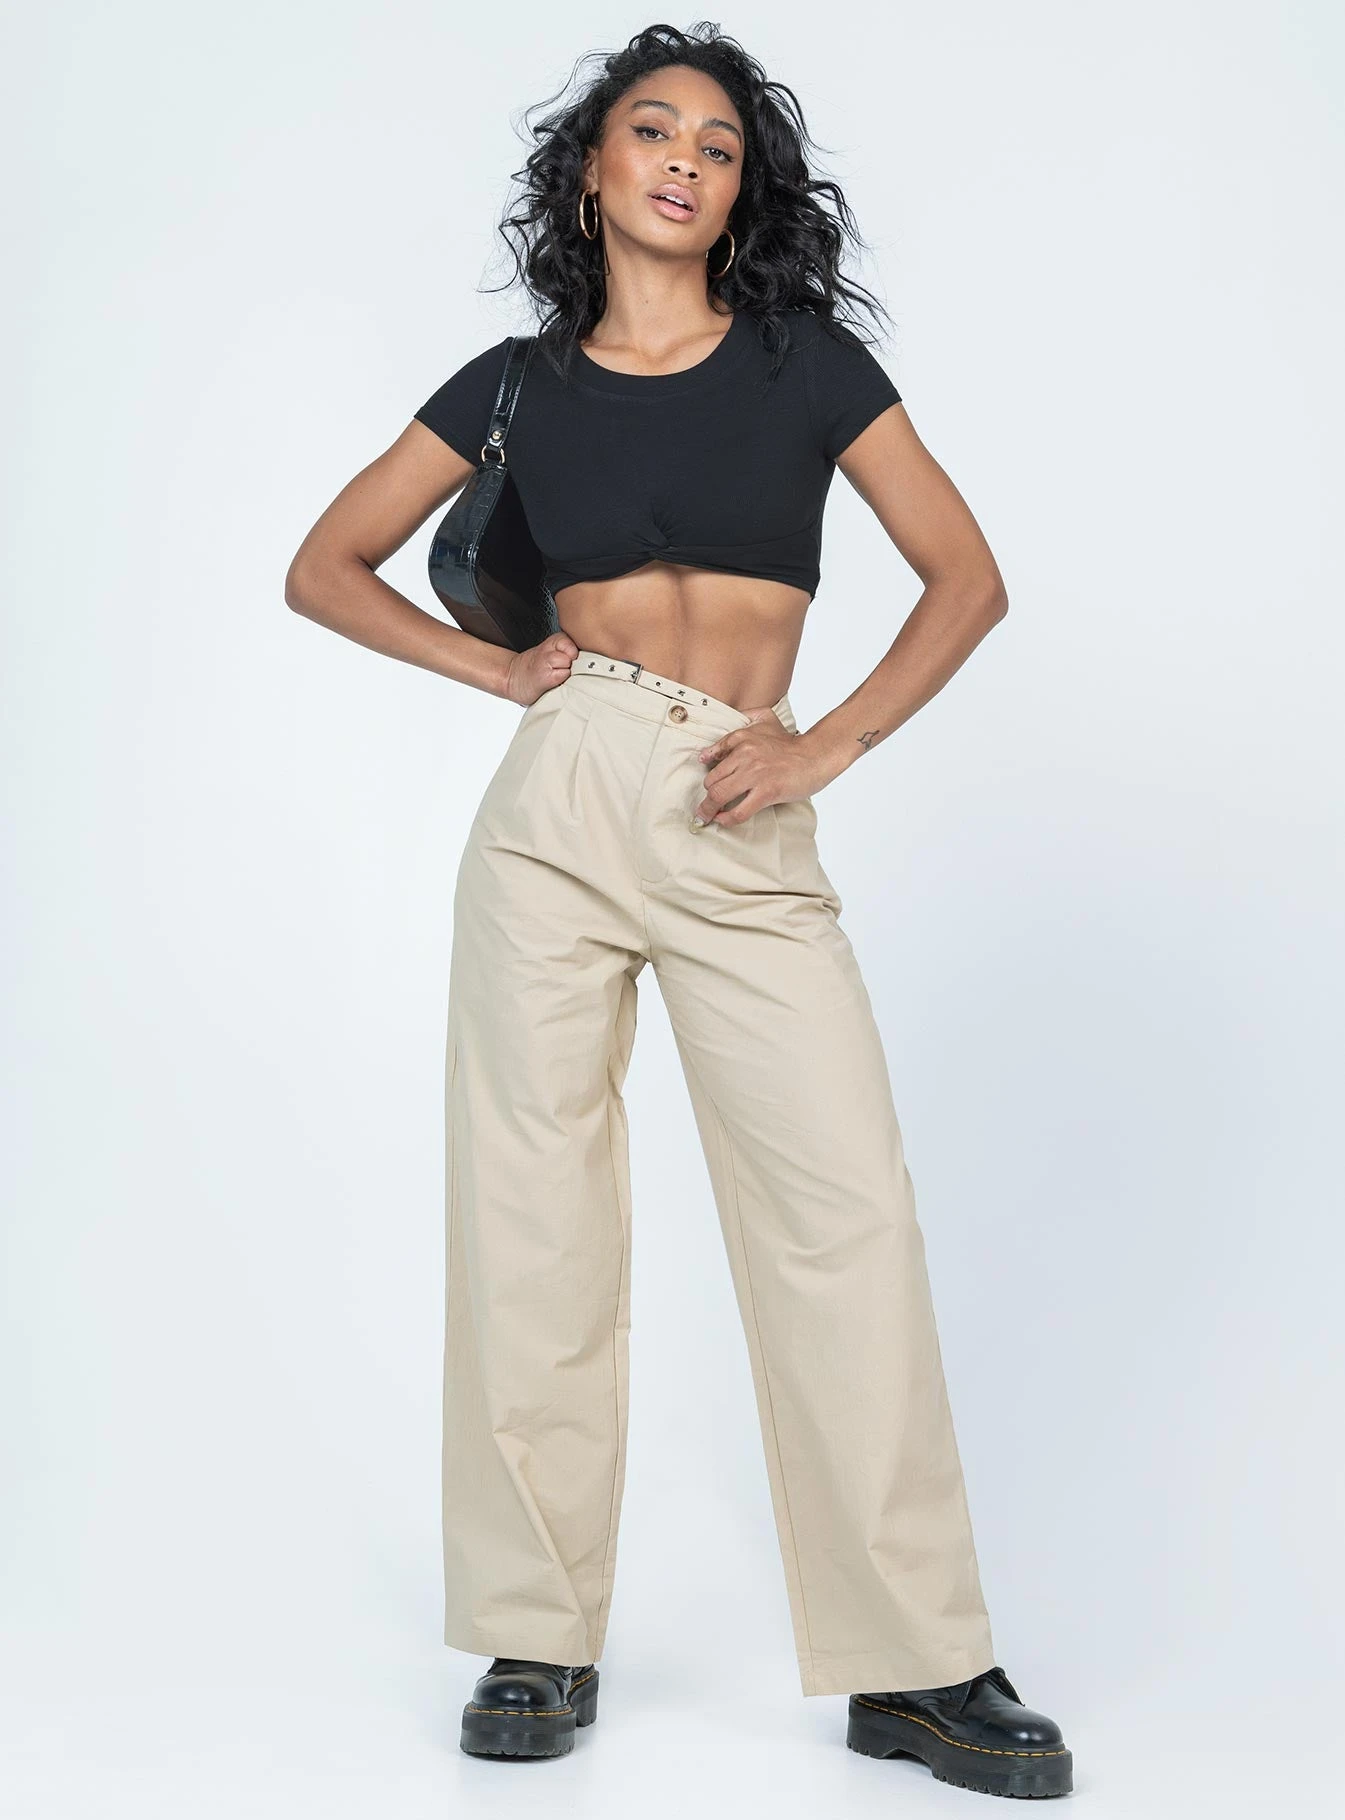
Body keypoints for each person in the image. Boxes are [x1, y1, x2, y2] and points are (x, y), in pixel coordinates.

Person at [284, 22, 1072, 1801]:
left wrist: (826, 745)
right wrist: (502, 677)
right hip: (563, 798)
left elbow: (967, 578)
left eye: (718, 149)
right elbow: (323, 567)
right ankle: (536, 1634)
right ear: (592, 170)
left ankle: (916, 1665)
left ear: (740, 194)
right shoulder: (513, 380)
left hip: (739, 792)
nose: (685, 165)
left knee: (844, 1216)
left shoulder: (806, 365)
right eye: (654, 134)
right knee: (533, 1214)